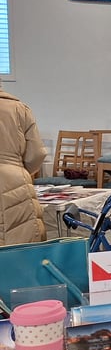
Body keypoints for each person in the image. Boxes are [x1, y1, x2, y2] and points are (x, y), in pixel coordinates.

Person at [0, 88, 47, 246]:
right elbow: (37, 154)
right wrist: (20, 169)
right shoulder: (19, 108)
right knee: (22, 246)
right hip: (15, 180)